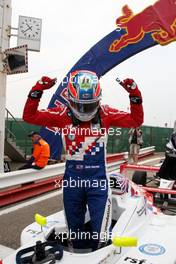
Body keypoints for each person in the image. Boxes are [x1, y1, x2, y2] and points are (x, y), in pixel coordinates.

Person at [22, 71, 143, 251]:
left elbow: (136, 120)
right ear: (70, 98)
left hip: (98, 181)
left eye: (90, 105)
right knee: (74, 231)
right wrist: (37, 89)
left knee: (102, 234)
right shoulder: (61, 114)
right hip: (72, 181)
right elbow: (29, 116)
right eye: (80, 105)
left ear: (98, 99)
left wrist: (134, 95)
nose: (84, 110)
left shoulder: (106, 113)